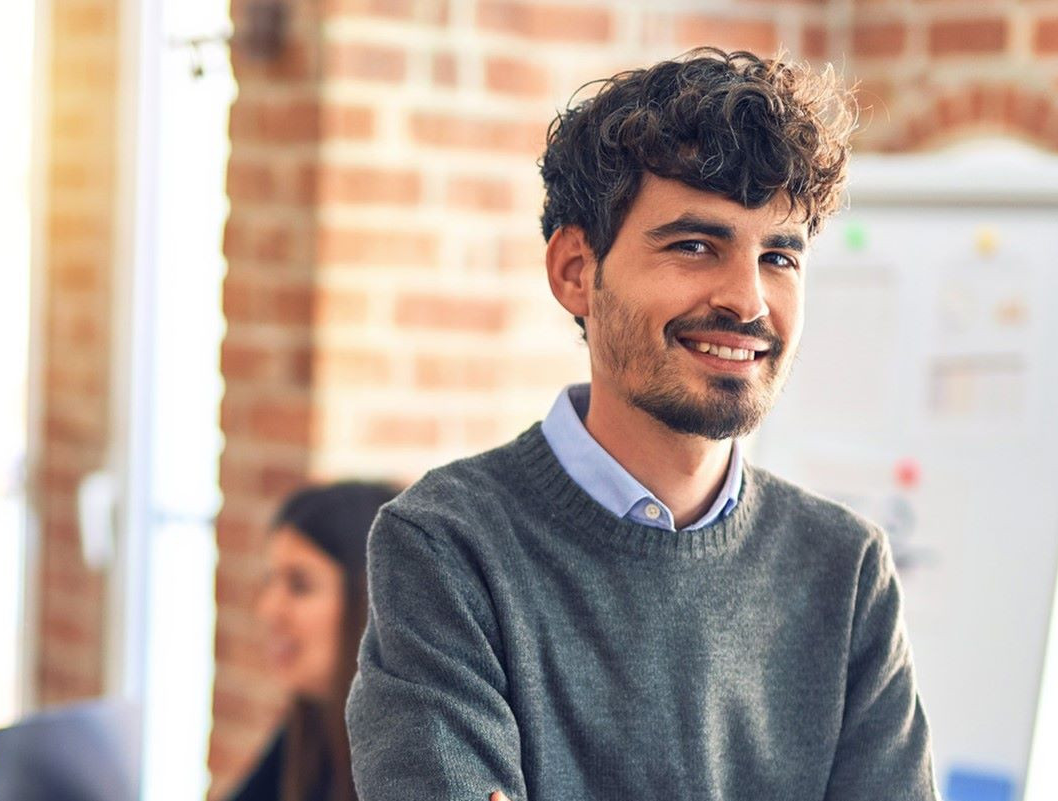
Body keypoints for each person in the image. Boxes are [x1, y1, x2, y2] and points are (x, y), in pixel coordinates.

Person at [345, 49, 938, 800]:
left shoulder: (844, 570)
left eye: (779, 256)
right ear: (573, 271)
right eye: (695, 245)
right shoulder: (448, 544)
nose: (748, 301)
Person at [230, 481, 402, 801]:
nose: (268, 609)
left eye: (300, 585)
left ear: (371, 601)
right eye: (271, 580)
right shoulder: (310, 724)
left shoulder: (417, 759)